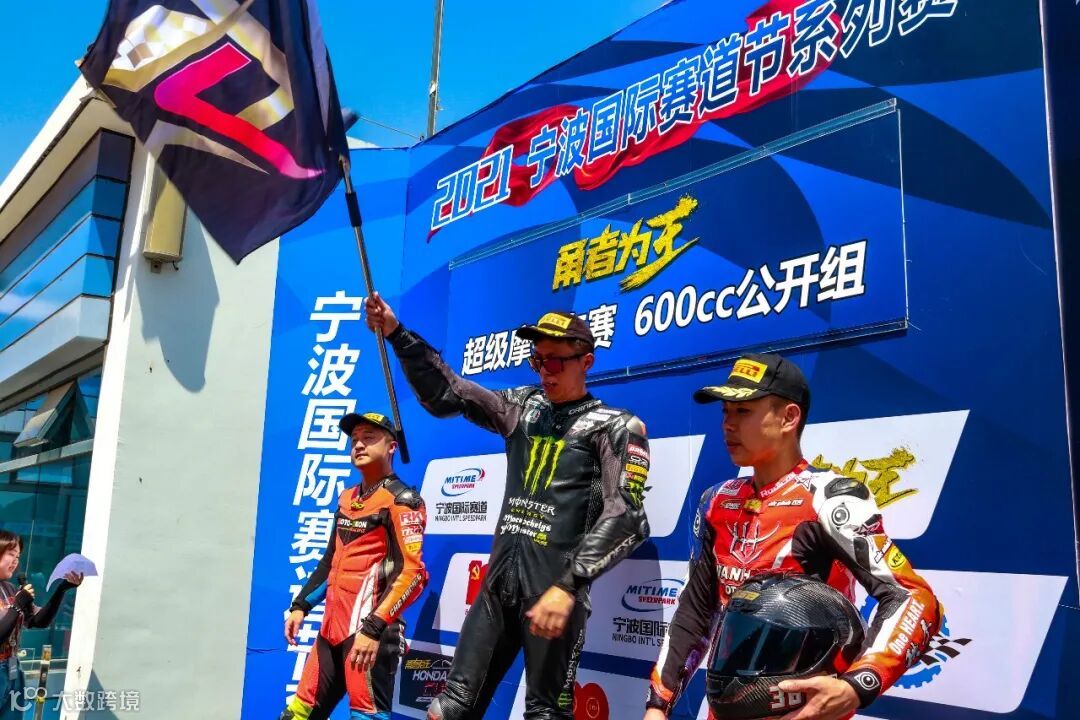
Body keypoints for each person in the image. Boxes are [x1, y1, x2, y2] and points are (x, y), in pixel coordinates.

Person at [364, 294, 650, 720]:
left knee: (544, 715)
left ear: (586, 361)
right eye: (538, 361)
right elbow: (449, 393)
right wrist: (397, 334)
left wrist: (568, 586)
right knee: (447, 710)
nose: (545, 371)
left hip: (555, 596)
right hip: (497, 592)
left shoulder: (616, 426)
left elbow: (627, 516)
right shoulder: (523, 407)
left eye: (556, 362)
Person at [643, 353, 941, 720]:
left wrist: (858, 684)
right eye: (725, 412)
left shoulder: (829, 499)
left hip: (801, 710)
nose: (728, 425)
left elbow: (912, 597)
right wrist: (658, 705)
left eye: (743, 411)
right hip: (727, 707)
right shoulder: (716, 501)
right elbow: (696, 611)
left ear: (789, 417)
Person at [280, 411, 428, 720]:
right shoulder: (347, 498)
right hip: (329, 634)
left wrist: (373, 629)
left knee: (366, 716)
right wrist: (301, 606)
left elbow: (413, 575)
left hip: (371, 636)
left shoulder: (403, 501)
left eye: (369, 438)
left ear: (392, 447)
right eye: (354, 440)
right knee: (298, 714)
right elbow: (330, 561)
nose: (358, 445)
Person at [0, 530, 83, 720]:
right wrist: (17, 605)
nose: (15, 561)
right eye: (11, 554)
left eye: (18, 556)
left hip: (12, 669)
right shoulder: (16, 596)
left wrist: (62, 589)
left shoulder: (10, 588)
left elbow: (38, 621)